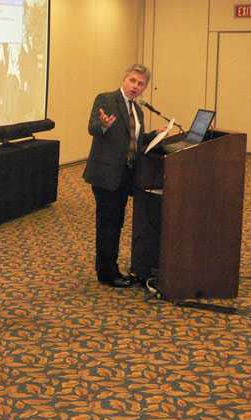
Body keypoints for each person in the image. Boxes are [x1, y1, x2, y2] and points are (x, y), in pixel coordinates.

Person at [83, 64, 157, 288]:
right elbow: (93, 127)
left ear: (145, 88)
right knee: (108, 224)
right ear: (125, 79)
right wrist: (103, 125)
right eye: (132, 81)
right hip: (106, 174)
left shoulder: (138, 110)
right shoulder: (106, 99)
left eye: (141, 83)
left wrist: (156, 135)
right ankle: (107, 272)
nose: (136, 86)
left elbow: (136, 139)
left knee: (116, 222)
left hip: (126, 175)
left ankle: (109, 267)